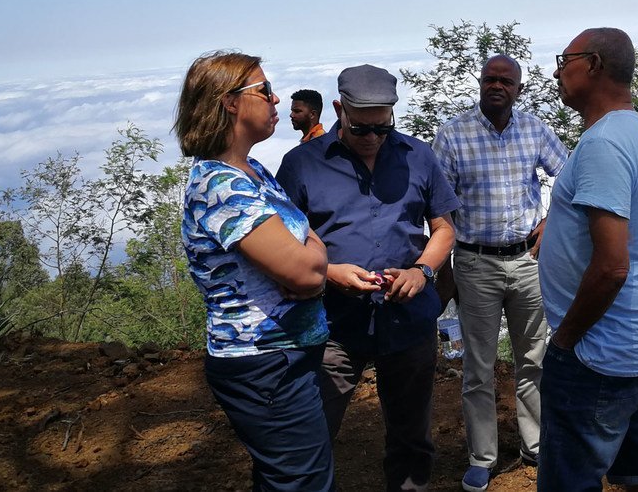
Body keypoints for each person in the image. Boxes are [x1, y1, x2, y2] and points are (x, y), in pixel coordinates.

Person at [275, 64, 460, 492]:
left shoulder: (418, 155)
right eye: (362, 129)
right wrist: (329, 272)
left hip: (407, 319)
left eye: (383, 127)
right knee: (311, 430)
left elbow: (444, 227)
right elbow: (285, 242)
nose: (374, 138)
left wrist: (422, 270)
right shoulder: (302, 165)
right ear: (339, 109)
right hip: (332, 325)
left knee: (412, 434)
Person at [175, 50, 334, 491]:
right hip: (263, 365)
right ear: (229, 102)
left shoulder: (251, 171)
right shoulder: (222, 186)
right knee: (303, 484)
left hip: (281, 358)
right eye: (263, 90)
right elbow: (304, 272)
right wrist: (312, 258)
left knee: (286, 479)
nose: (276, 98)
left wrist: (310, 255)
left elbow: (305, 249)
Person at [536, 28, 638, 492]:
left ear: (592, 64)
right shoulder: (632, 131)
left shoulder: (601, 145)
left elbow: (613, 265)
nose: (558, 70)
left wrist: (565, 342)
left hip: (600, 354)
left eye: (565, 59)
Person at [432, 55, 567, 491]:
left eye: (506, 81)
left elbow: (567, 175)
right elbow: (438, 205)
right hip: (475, 262)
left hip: (528, 262)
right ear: (480, 83)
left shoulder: (534, 129)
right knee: (478, 366)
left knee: (534, 360)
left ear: (518, 89)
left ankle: (536, 446)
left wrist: (550, 222)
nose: (497, 86)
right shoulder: (453, 135)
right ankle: (482, 457)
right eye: (490, 78)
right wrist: (443, 267)